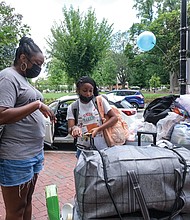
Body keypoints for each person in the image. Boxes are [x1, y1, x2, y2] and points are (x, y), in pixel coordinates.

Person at [0, 36, 55, 220]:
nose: (39, 68)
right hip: (16, 156)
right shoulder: (8, 77)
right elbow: (2, 115)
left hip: (33, 153)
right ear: (23, 59)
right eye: (37, 63)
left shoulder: (23, 79)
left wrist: (39, 105)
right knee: (16, 210)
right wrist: (37, 105)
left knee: (27, 201)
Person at [66, 76, 118, 156]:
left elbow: (114, 118)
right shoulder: (73, 107)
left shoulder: (100, 102)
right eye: (84, 91)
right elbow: (70, 128)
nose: (88, 94)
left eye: (91, 91)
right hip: (82, 149)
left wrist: (99, 129)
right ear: (78, 90)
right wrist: (74, 129)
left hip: (102, 148)